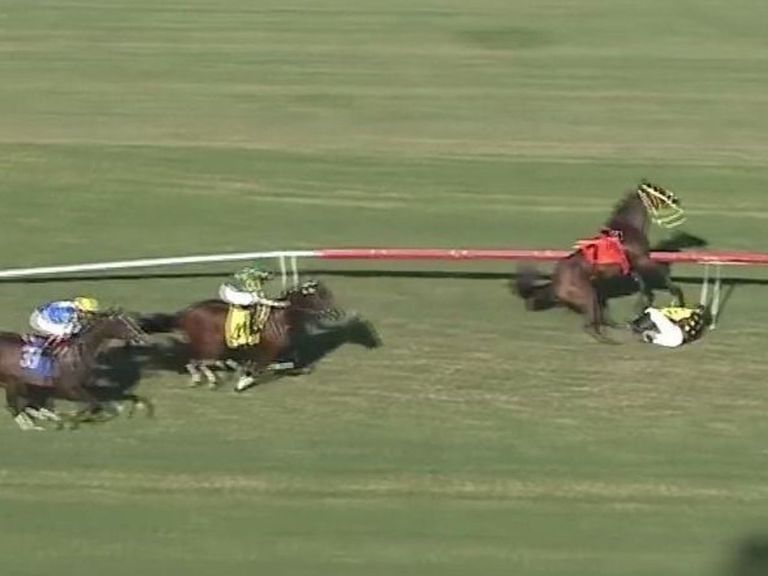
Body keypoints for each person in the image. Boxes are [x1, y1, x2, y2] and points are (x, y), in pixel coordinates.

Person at [28, 296, 101, 354]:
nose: (91, 315)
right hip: (39, 320)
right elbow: (68, 331)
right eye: (90, 313)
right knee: (66, 334)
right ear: (81, 310)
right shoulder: (69, 315)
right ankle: (45, 349)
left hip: (44, 312)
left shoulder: (73, 306)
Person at [629, 303, 710, 348]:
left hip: (676, 337)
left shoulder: (691, 314)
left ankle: (645, 313)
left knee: (654, 312)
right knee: (655, 334)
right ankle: (642, 328)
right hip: (676, 342)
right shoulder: (700, 322)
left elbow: (680, 320)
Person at [218, 265, 289, 310]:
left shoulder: (248, 295)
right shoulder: (249, 298)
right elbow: (263, 301)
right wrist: (279, 304)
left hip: (227, 289)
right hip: (229, 293)